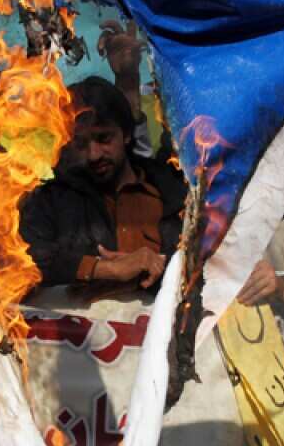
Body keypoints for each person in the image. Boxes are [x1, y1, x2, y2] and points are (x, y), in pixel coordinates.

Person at [19, 77, 186, 295]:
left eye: (103, 138)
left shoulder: (172, 189)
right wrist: (103, 269)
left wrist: (163, 267)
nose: (94, 154)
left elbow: (207, 259)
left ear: (126, 134)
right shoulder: (51, 201)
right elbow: (21, 258)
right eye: (80, 143)